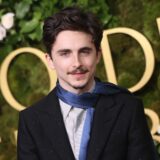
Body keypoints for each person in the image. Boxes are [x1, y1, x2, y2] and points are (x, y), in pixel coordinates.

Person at [17, 6, 159, 160]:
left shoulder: (128, 107)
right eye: (65, 54)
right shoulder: (31, 120)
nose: (77, 63)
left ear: (98, 55)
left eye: (84, 51)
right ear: (50, 60)